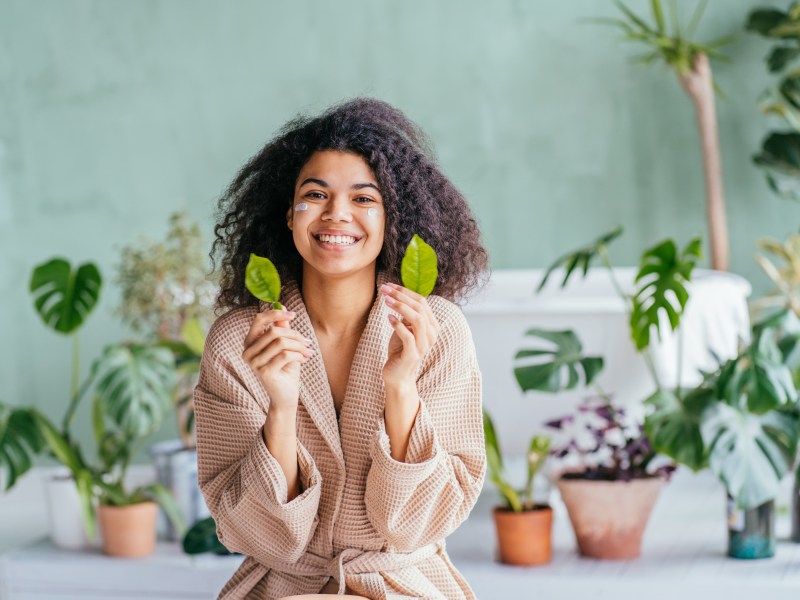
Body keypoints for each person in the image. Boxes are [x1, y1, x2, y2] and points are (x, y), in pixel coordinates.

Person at [195, 98, 489, 600]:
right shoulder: (239, 344)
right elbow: (260, 536)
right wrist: (281, 409)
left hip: (403, 584)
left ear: (392, 217)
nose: (337, 215)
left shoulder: (436, 330)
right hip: (284, 587)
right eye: (316, 194)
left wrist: (401, 390)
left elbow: (418, 526)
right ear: (289, 214)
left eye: (363, 198)